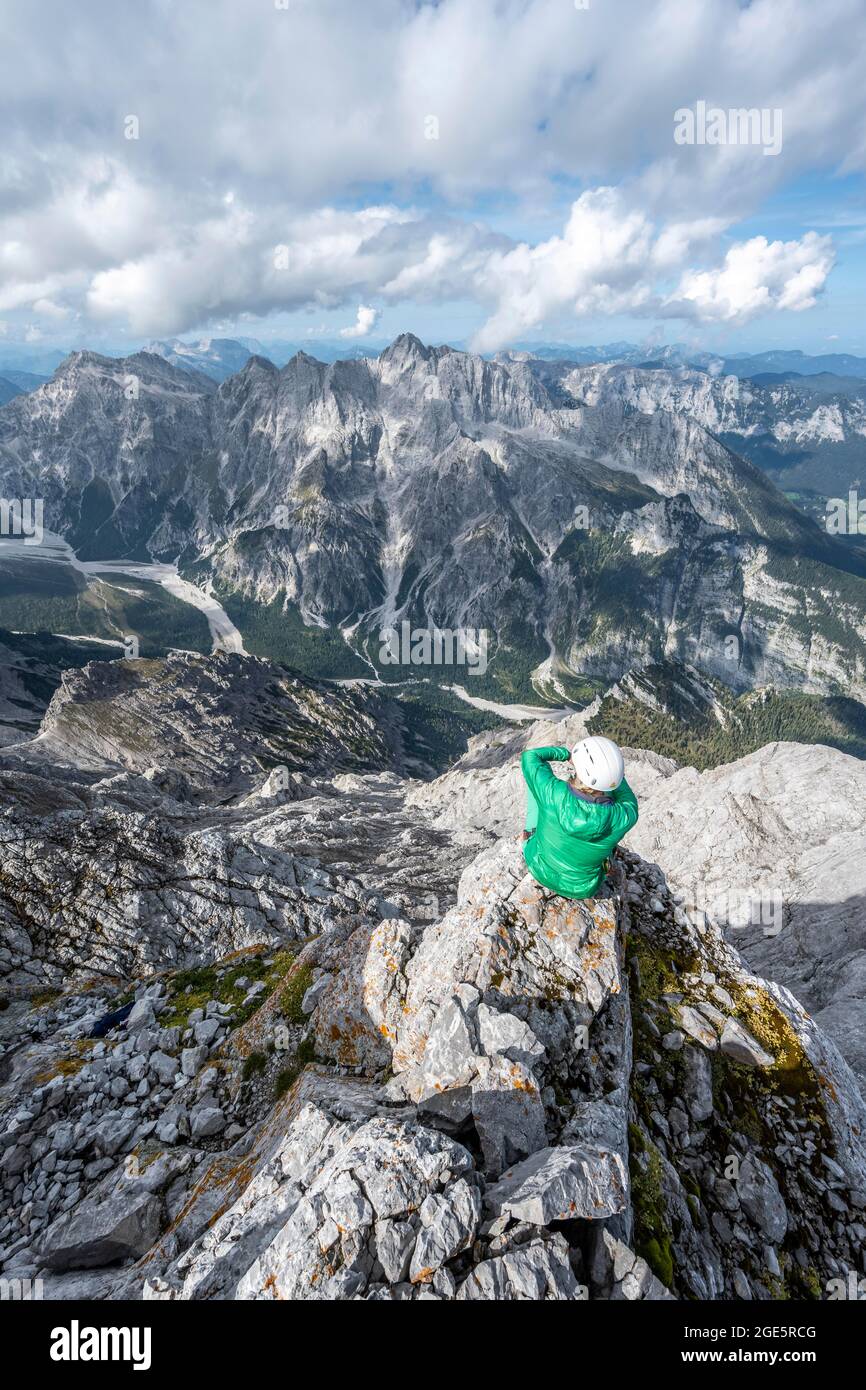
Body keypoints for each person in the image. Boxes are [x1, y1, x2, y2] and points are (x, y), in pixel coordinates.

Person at [520, 736, 638, 900]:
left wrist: (567, 755)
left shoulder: (554, 793)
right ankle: (605, 861)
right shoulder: (625, 816)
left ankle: (529, 834)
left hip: (539, 868)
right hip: (584, 888)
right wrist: (613, 774)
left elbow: (530, 756)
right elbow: (625, 796)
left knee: (536, 787)